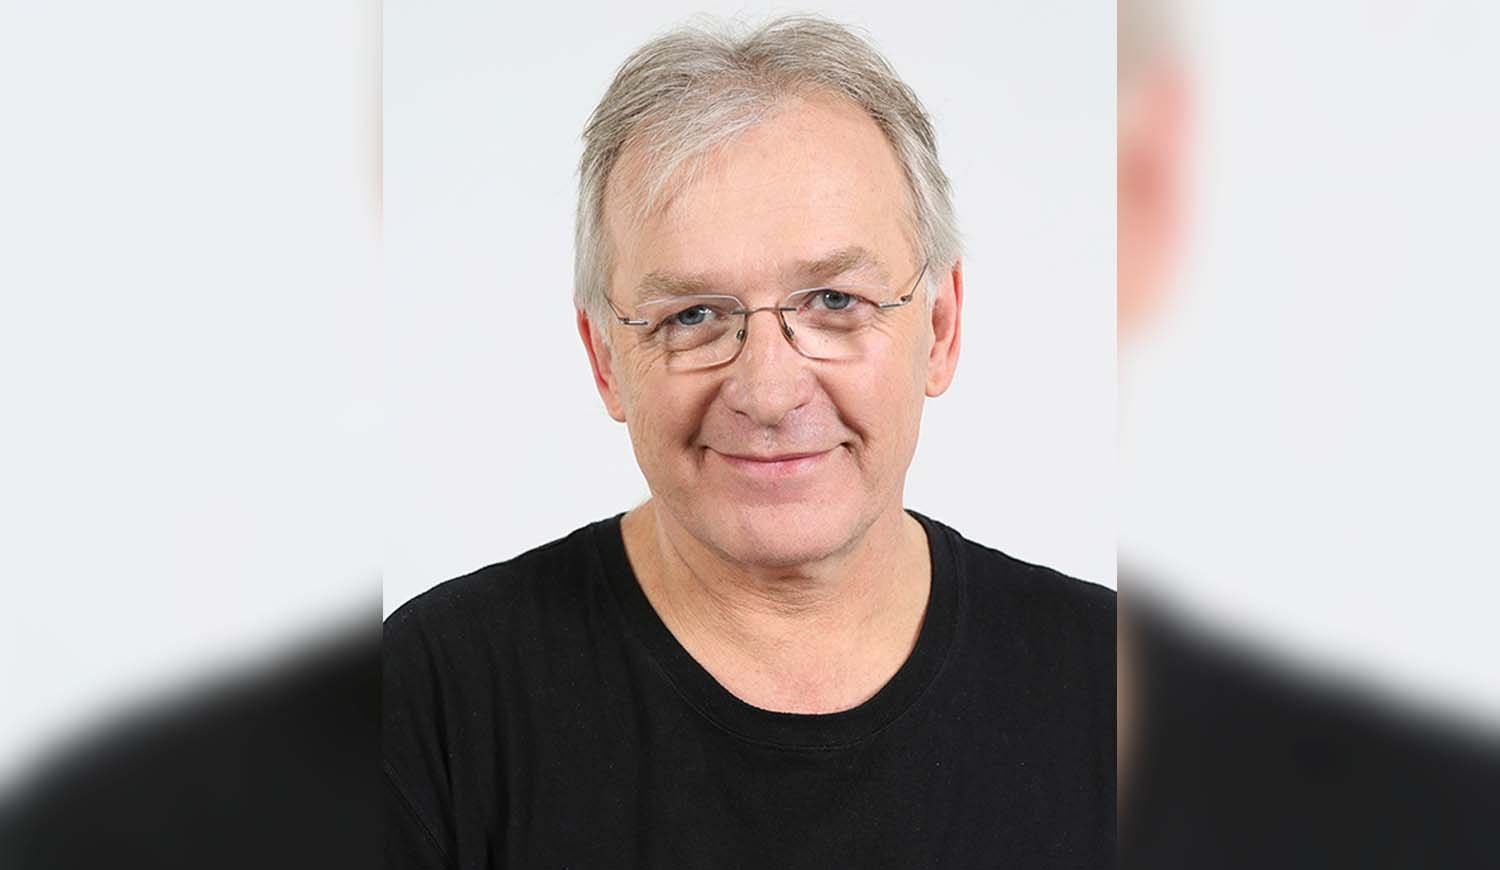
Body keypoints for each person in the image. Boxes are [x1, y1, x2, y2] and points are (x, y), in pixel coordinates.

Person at [383, 15, 1115, 868]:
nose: (768, 393)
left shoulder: (1119, 694)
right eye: (693, 315)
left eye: (835, 302)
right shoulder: (431, 700)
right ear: (606, 359)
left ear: (941, 327)